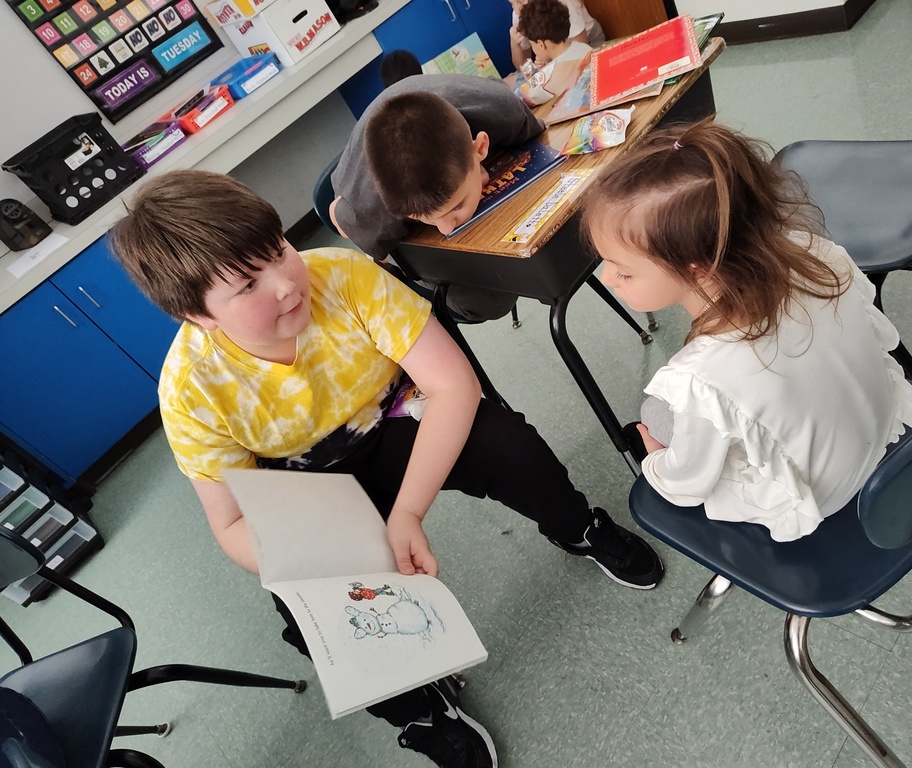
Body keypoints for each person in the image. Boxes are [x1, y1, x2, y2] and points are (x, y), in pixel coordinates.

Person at [111, 170, 664, 768]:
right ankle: (417, 711)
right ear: (199, 317)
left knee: (508, 447)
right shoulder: (191, 391)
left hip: (396, 419)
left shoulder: (340, 276)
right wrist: (331, 563)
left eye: (278, 251)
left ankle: (576, 526)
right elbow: (232, 525)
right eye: (247, 285)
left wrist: (407, 512)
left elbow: (454, 385)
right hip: (308, 486)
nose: (284, 284)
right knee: (310, 616)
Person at [580, 118, 912, 543]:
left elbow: (686, 485)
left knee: (655, 413)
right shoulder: (817, 254)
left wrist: (656, 465)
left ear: (699, 271)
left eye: (623, 270)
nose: (608, 277)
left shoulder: (702, 377)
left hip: (824, 494)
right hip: (879, 421)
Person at [329, 75, 542, 321]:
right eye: (425, 219)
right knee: (490, 301)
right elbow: (337, 215)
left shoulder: (503, 111)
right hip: (361, 196)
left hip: (454, 104)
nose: (446, 227)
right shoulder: (369, 208)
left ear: (481, 147)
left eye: (456, 206)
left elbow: (539, 138)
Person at [515, 0, 592, 106]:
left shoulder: (548, 76)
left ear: (541, 44)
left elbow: (521, 98)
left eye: (531, 43)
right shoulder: (585, 48)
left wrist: (542, 72)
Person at [509, 0, 604, 71]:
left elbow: (581, 44)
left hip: (590, 42)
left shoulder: (559, 3)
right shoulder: (519, 12)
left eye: (520, 2)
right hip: (557, 53)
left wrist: (550, 63)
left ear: (541, 44)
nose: (517, 10)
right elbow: (524, 68)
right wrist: (515, 44)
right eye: (512, 4)